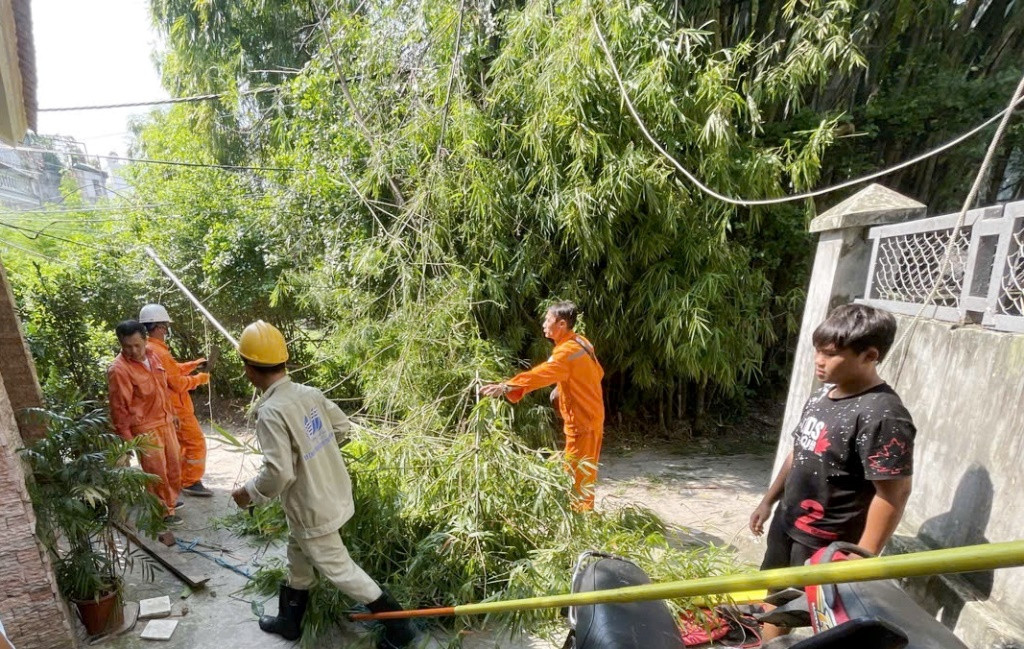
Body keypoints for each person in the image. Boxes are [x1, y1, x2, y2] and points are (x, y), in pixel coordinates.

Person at [229, 320, 418, 647]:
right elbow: (342, 428)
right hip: (333, 493)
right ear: (283, 360)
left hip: (312, 507)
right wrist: (316, 456)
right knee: (297, 554)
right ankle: (290, 621)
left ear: (249, 368)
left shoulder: (271, 411)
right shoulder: (308, 393)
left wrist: (249, 494)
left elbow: (279, 473)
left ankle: (400, 628)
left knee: (339, 569)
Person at [748, 304, 915, 640]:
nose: (818, 361)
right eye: (817, 351)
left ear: (870, 355)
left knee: (807, 612)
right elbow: (801, 449)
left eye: (831, 354)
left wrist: (860, 559)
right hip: (789, 523)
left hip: (826, 541)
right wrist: (768, 501)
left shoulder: (883, 415)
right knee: (776, 595)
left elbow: (893, 494)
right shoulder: (824, 393)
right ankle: (768, 643)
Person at [480, 301, 605, 511]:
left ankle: (580, 518)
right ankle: (582, 513)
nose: (544, 324)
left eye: (548, 320)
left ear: (562, 324)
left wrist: (506, 387)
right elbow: (597, 372)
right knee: (584, 470)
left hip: (582, 421)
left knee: (577, 473)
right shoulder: (582, 342)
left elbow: (540, 375)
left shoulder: (565, 353)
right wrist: (564, 385)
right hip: (594, 415)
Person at [107, 320, 183, 527]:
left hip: (165, 420)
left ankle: (171, 500)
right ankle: (163, 510)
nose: (133, 350)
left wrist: (173, 412)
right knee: (156, 472)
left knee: (174, 465)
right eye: (127, 346)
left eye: (137, 345)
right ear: (121, 344)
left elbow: (163, 387)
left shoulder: (153, 355)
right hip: (144, 427)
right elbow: (119, 407)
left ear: (145, 340)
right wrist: (127, 439)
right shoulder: (119, 370)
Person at [138, 303, 213, 497]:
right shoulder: (159, 351)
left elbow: (170, 371)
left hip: (167, 407)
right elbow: (177, 383)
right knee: (195, 442)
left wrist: (192, 364)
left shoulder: (149, 348)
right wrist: (199, 378)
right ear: (160, 327)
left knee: (179, 446)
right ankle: (190, 481)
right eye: (166, 326)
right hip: (177, 407)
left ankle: (180, 479)